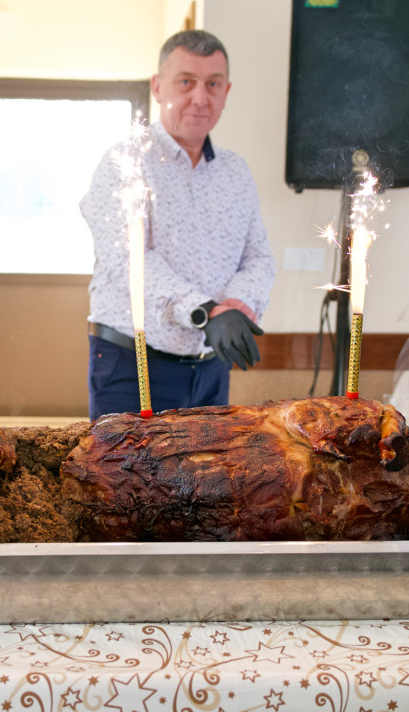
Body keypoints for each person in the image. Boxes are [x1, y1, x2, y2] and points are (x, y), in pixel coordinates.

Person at [80, 29, 276, 421]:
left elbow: (258, 257)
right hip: (132, 365)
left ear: (226, 91)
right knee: (122, 481)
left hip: (211, 366)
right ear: (157, 86)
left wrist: (236, 305)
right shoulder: (124, 162)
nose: (200, 98)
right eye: (186, 82)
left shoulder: (236, 172)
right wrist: (205, 310)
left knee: (208, 480)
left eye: (213, 84)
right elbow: (128, 260)